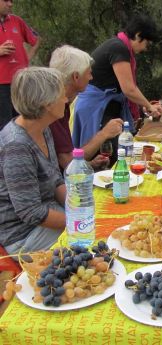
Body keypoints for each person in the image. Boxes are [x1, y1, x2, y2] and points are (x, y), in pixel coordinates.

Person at [73, 14, 162, 165]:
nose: (146, 49)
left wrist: (144, 106)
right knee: (107, 151)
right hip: (96, 106)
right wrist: (149, 106)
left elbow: (129, 86)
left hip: (105, 104)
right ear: (138, 35)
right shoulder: (119, 48)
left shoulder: (120, 47)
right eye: (147, 44)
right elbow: (128, 89)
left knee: (112, 151)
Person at [0, 67, 67, 255]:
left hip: (50, 214)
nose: (66, 99)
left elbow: (55, 180)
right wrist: (79, 222)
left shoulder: (42, 128)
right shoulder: (17, 146)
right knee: (97, 238)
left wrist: (77, 207)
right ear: (47, 103)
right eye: (62, 95)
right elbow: (31, 213)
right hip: (24, 235)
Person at [49, 45, 124, 171]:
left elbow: (69, 158)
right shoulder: (53, 107)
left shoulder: (62, 102)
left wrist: (90, 164)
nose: (91, 78)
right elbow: (68, 164)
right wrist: (104, 134)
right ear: (76, 77)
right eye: (89, 73)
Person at [0, 0, 40, 131]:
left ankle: (21, 151)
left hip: (21, 82)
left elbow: (36, 39)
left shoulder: (17, 21)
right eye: (6, 1)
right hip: (2, 85)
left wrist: (26, 59)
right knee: (5, 126)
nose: (10, 4)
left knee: (24, 121)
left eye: (11, 1)